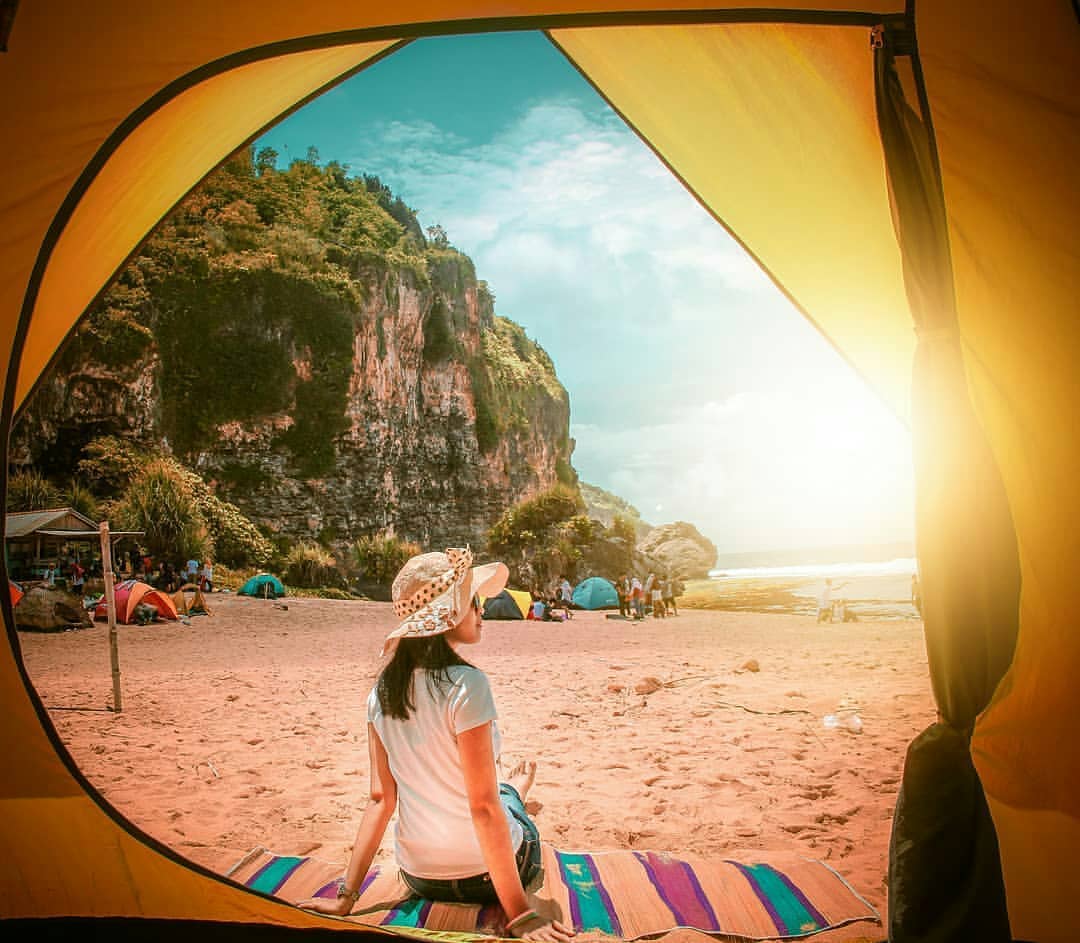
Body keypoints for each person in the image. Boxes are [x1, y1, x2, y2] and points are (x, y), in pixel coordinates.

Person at [297, 549, 573, 941]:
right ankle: (516, 791)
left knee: (495, 794)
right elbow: (481, 808)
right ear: (448, 616)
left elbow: (380, 800)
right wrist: (521, 914)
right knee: (507, 806)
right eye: (472, 602)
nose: (481, 611)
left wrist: (347, 897)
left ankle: (513, 789)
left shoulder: (381, 693)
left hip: (421, 878)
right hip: (484, 878)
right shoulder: (466, 685)